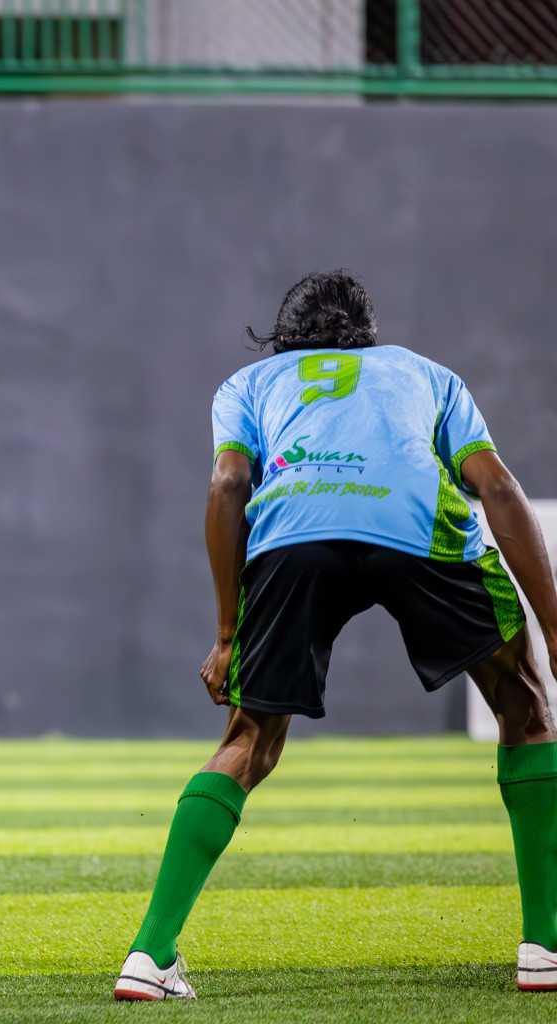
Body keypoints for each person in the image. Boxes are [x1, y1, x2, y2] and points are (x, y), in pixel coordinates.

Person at [114, 270, 557, 1000]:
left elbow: (227, 487)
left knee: (247, 740)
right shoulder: (424, 375)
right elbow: (498, 488)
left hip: (294, 536)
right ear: (367, 333)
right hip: (417, 529)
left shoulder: (248, 384)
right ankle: (542, 944)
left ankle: (149, 956)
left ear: (284, 335)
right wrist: (553, 627)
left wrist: (227, 634)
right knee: (527, 706)